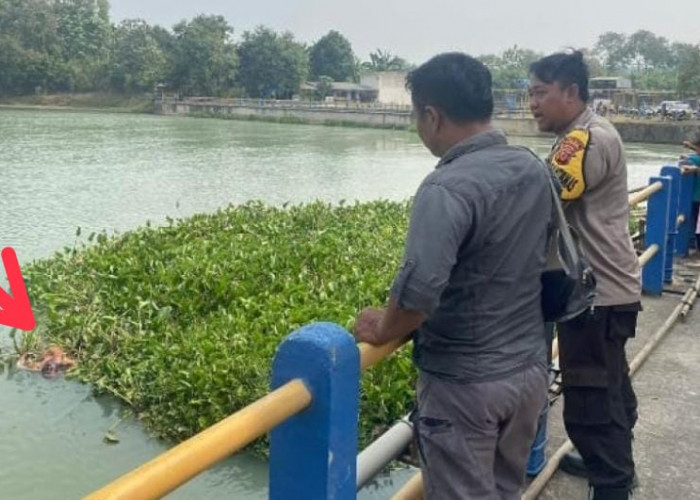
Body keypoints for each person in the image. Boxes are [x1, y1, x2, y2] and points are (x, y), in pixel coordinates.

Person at [353, 52, 551, 500]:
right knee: (505, 490)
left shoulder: (446, 188)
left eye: (416, 115)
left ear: (432, 115)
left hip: (466, 386)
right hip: (527, 371)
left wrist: (383, 327)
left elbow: (418, 293)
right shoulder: (531, 167)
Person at [528, 51, 642, 500]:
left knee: (591, 404)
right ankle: (614, 468)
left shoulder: (584, 139)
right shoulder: (589, 133)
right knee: (611, 388)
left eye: (540, 92)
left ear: (571, 92)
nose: (532, 103)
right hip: (609, 288)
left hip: (593, 295)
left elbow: (543, 200)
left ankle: (611, 482)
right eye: (529, 93)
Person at [679, 134, 700, 254]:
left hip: (695, 197)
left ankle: (691, 244)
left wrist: (695, 169)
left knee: (692, 220)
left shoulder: (694, 160)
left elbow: (684, 162)